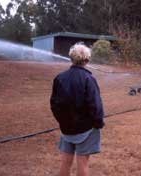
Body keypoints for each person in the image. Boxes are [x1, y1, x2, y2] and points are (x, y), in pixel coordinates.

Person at [50, 43, 104, 176]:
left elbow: (54, 104)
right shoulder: (89, 79)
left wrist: (62, 121)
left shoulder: (60, 78)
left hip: (66, 129)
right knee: (83, 163)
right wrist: (98, 123)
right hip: (86, 129)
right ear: (87, 60)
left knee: (65, 163)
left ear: (71, 58)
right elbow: (95, 105)